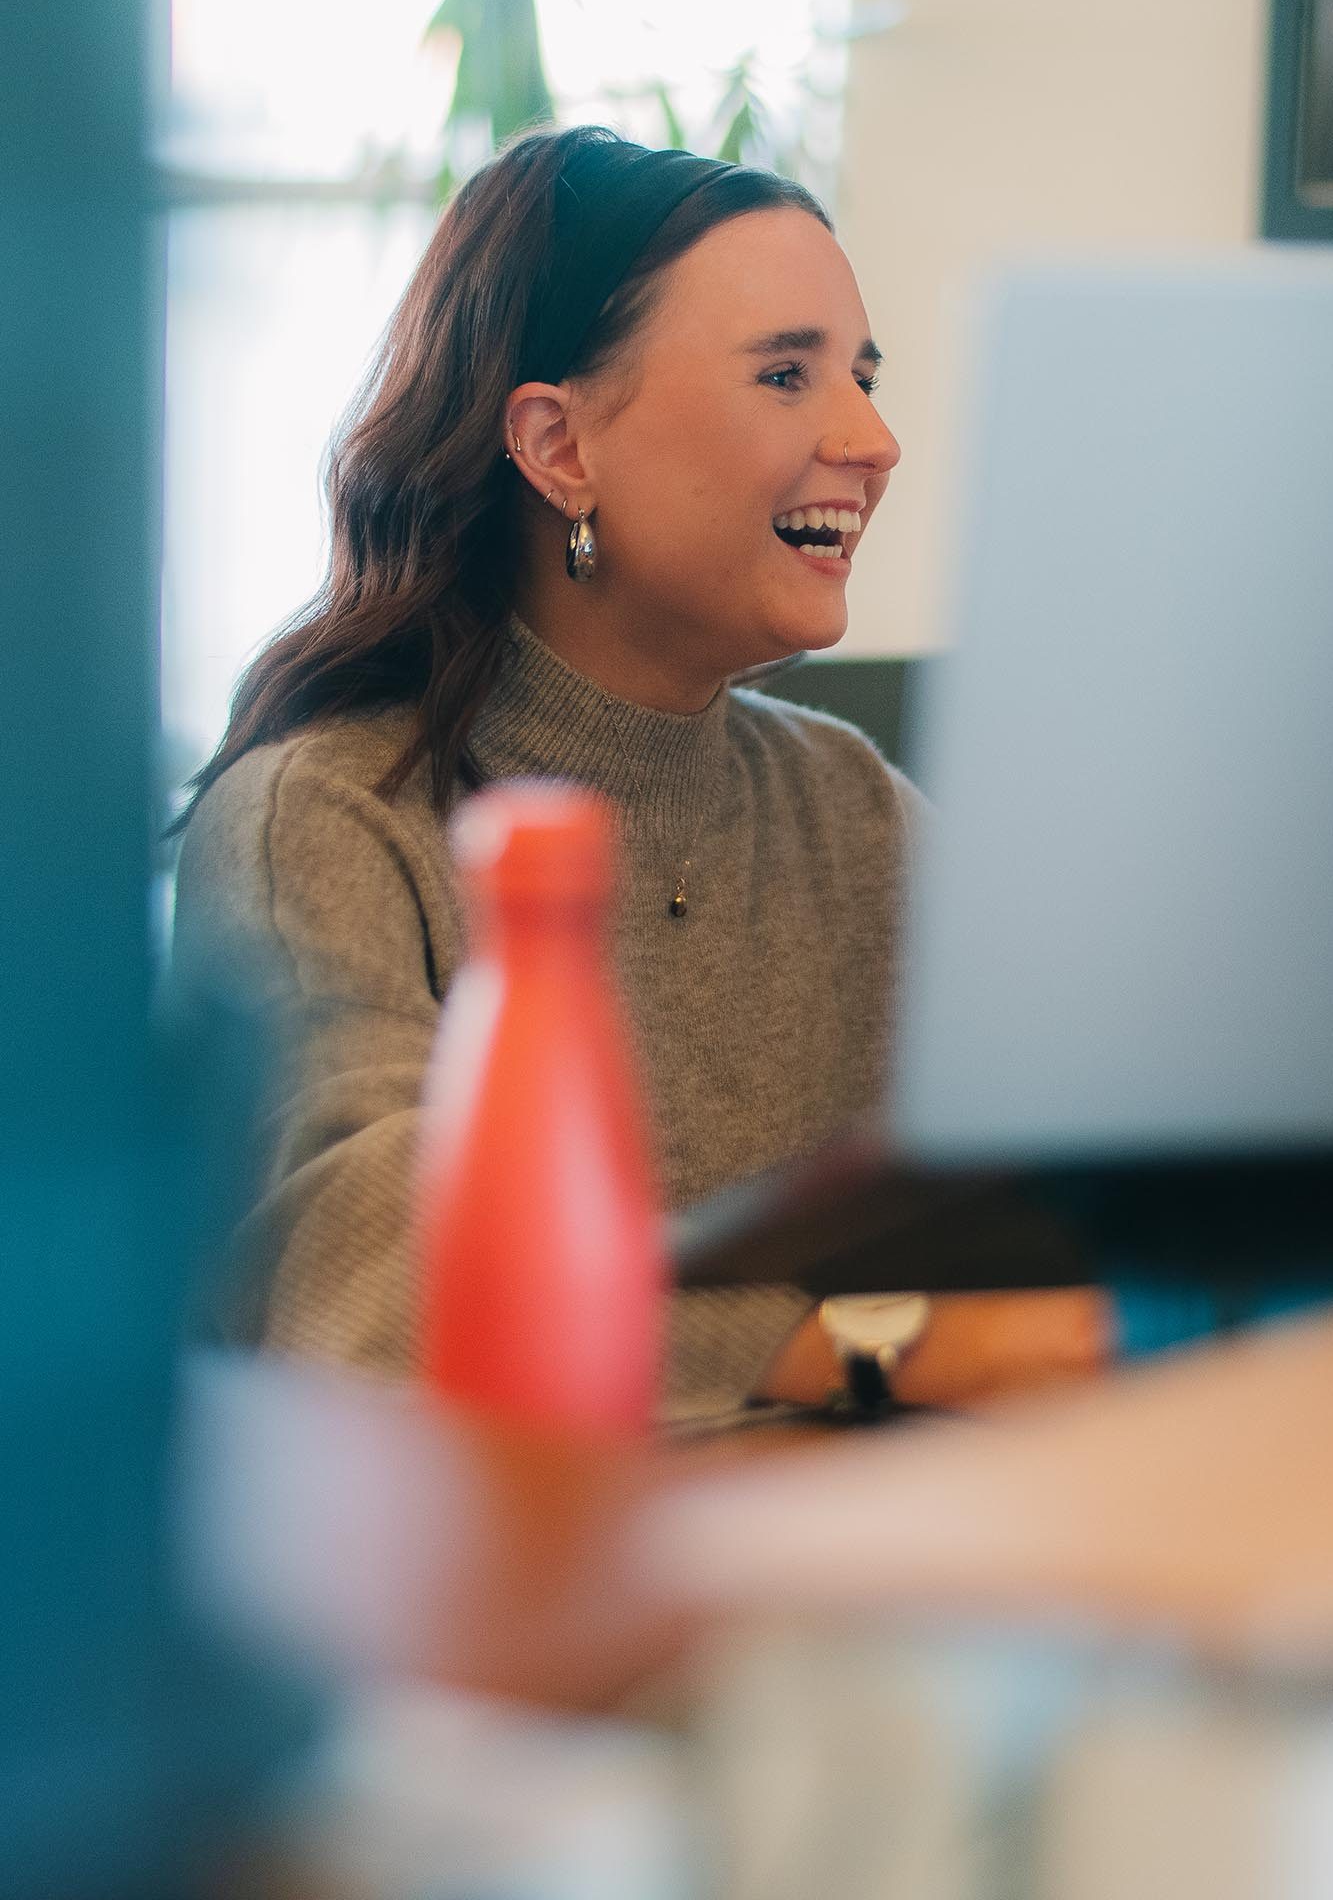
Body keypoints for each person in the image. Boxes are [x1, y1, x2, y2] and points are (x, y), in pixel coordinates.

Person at [172, 124, 1110, 1418]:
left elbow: (1088, 1150)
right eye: (786, 375)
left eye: (864, 375)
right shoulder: (322, 818)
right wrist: (868, 1344)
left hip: (820, 1568)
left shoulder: (849, 810)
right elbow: (373, 1284)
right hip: (475, 1599)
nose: (872, 438)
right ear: (559, 447)